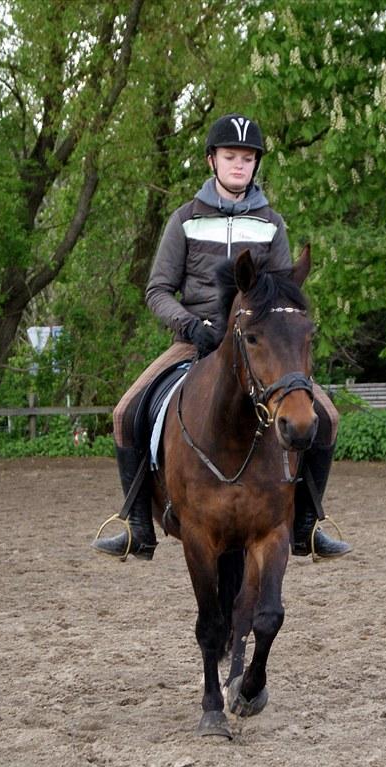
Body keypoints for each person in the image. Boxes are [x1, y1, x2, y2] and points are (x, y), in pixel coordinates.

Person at [92, 113, 351, 562]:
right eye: (230, 156)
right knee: (124, 412)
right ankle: (137, 525)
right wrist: (190, 325)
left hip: (257, 348)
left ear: (255, 165)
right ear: (212, 160)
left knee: (325, 417)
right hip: (196, 340)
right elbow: (157, 289)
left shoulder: (271, 223)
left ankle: (307, 524)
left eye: (247, 158)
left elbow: (285, 291)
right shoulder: (185, 219)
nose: (239, 165)